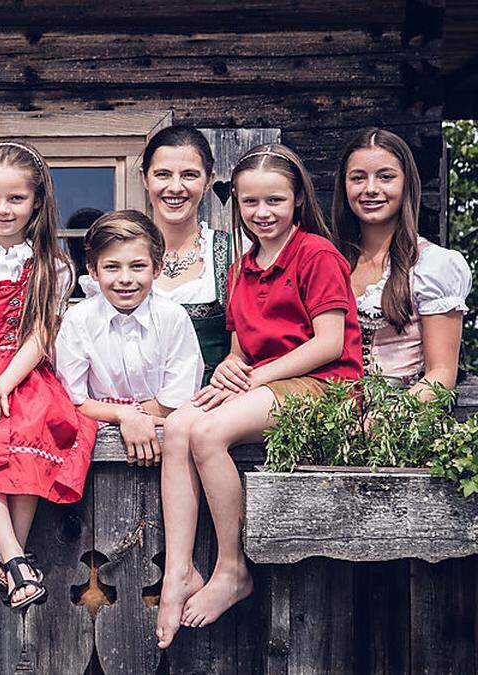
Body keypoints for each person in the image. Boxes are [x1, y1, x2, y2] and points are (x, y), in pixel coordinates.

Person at [155, 144, 362, 648]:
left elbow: (329, 343)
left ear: (296, 201)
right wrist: (230, 369)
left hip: (326, 387)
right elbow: (237, 351)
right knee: (180, 422)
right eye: (250, 203)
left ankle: (231, 568)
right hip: (267, 381)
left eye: (275, 201)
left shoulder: (316, 253)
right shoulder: (243, 266)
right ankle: (178, 570)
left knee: (208, 430)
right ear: (236, 205)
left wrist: (255, 376)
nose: (262, 213)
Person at [0, 141, 97, 611]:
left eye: (15, 199)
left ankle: (8, 560)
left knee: (31, 427)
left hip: (28, 373)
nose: (2, 209)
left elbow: (41, 336)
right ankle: (15, 558)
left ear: (37, 202)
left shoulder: (55, 264)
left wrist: (5, 386)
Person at [79, 126, 232, 384]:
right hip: (124, 408)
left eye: (189, 175)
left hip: (209, 408)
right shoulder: (115, 257)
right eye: (162, 174)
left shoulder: (234, 253)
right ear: (144, 178)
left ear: (208, 181)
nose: (175, 187)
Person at [331, 127, 471, 398]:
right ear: (344, 185)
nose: (371, 189)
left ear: (407, 183)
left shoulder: (432, 265)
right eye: (358, 178)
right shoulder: (328, 260)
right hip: (329, 420)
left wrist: (384, 420)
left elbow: (440, 376)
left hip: (400, 423)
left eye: (386, 177)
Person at [56, 210, 203, 467]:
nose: (125, 279)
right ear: (93, 269)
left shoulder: (173, 318)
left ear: (157, 268)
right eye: (112, 267)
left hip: (167, 448)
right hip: (95, 456)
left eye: (138, 266)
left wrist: (131, 416)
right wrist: (126, 416)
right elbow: (72, 400)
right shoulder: (78, 321)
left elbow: (176, 401)